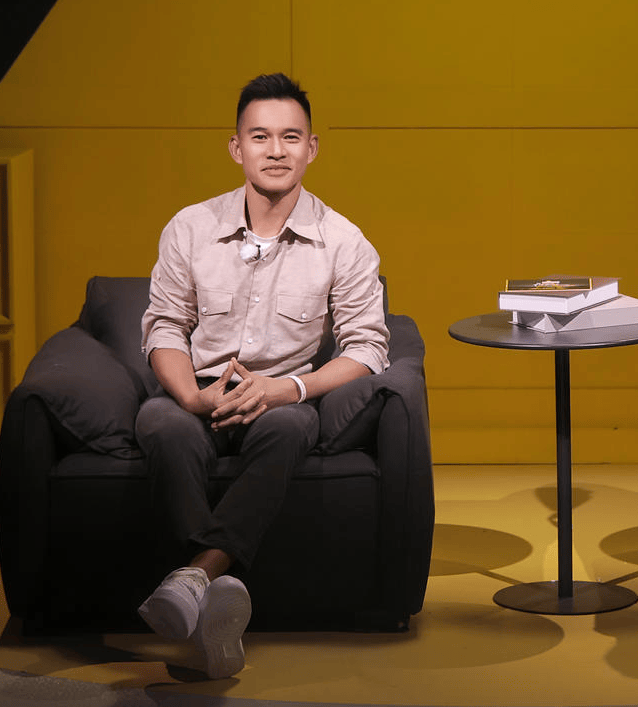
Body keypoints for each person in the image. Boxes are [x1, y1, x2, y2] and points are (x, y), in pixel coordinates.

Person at [135, 73, 389, 678]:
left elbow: (369, 347)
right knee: (160, 424)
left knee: (290, 428)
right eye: (260, 137)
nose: (276, 150)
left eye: (290, 137)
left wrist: (287, 389)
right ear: (236, 147)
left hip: (281, 400)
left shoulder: (344, 241)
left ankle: (194, 577)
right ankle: (210, 590)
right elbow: (164, 326)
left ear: (311, 148)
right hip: (200, 390)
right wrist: (192, 397)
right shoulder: (190, 227)